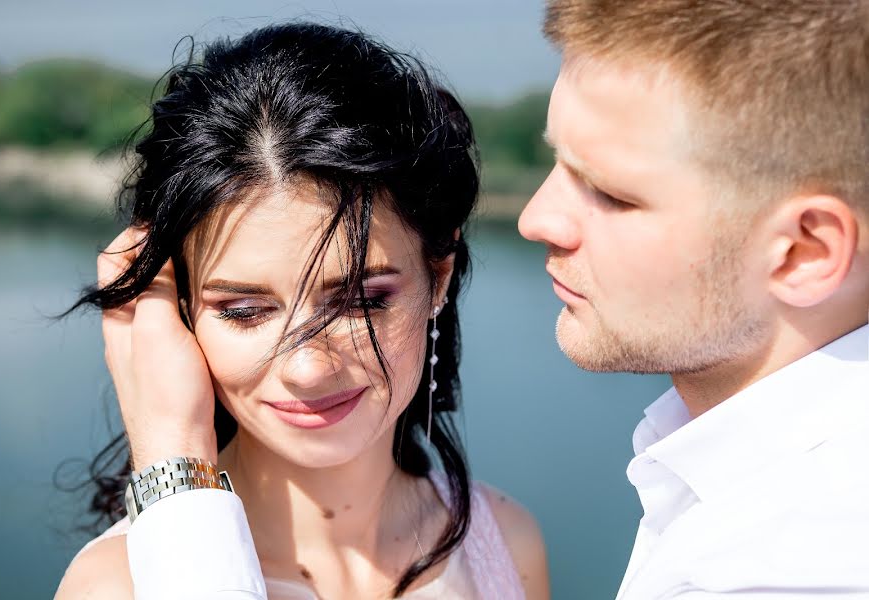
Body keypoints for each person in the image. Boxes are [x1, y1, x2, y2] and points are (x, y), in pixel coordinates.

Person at [55, 23, 548, 600]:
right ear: (181, 309)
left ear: (439, 276)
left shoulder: (504, 545)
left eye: (362, 299)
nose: (308, 369)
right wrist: (171, 444)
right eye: (243, 310)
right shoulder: (117, 586)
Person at [518, 1, 869, 598]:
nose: (536, 219)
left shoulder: (786, 574)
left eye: (609, 192)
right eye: (556, 161)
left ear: (802, 252)